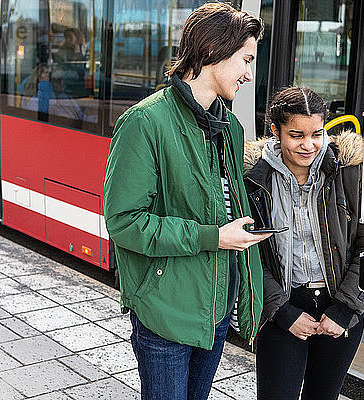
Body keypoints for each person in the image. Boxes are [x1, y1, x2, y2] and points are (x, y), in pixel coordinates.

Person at [103, 3, 268, 399]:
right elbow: (124, 221)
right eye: (245, 60)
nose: (249, 74)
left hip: (214, 308)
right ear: (213, 52)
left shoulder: (229, 125)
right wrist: (213, 237)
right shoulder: (145, 122)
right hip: (165, 311)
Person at [243, 87, 364, 400]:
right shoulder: (253, 179)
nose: (308, 145)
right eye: (296, 135)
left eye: (317, 133)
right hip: (282, 311)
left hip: (340, 308)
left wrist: (345, 309)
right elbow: (248, 253)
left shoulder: (350, 172)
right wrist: (283, 313)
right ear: (275, 131)